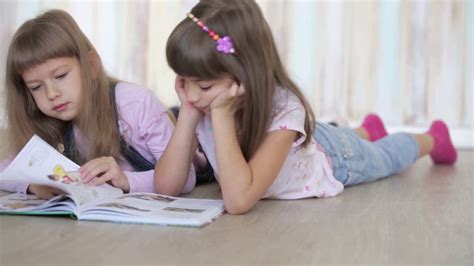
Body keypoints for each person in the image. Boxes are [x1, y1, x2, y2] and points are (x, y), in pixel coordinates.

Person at [155, 0, 458, 215]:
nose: (191, 95)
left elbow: (238, 201)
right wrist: (189, 117)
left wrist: (220, 117)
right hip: (314, 142)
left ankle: (433, 138)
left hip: (337, 158)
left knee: (388, 157)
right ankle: (367, 130)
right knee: (344, 136)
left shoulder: (284, 109)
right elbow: (165, 188)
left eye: (204, 86)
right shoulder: (203, 103)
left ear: (244, 74)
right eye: (183, 79)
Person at [0, 9, 196, 199]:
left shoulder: (135, 103)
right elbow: (5, 170)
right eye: (36, 87)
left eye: (60, 76)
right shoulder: (47, 120)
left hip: (192, 138)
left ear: (91, 65)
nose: (52, 94)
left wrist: (125, 180)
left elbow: (186, 179)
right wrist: (32, 186)